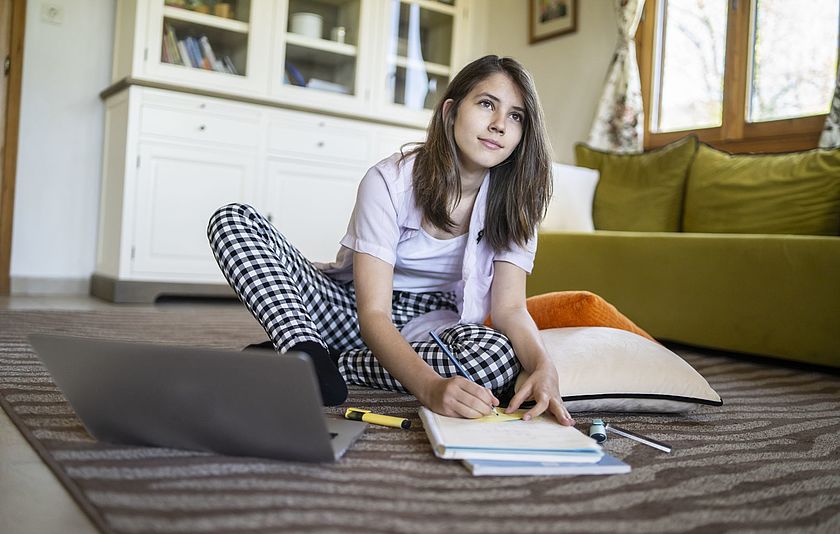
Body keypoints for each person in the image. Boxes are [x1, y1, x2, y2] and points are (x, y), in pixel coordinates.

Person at [207, 55, 575, 425]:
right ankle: (304, 352)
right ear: (450, 112)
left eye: (516, 116)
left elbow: (510, 308)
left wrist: (543, 366)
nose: (499, 125)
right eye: (486, 104)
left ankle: (338, 363)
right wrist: (429, 387)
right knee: (232, 220)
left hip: (430, 322)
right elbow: (373, 314)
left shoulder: (517, 203)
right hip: (349, 307)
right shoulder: (389, 181)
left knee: (497, 359)